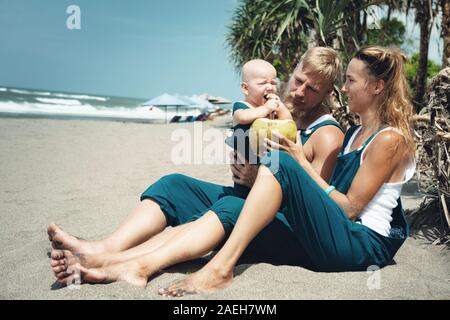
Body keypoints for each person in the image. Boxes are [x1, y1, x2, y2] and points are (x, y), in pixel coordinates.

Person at [47, 47, 344, 287]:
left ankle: (136, 267)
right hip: (245, 197)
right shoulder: (277, 110)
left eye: (313, 89)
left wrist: (258, 179)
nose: (301, 91)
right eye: (298, 80)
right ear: (292, 73)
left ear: (328, 93)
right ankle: (104, 248)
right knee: (173, 184)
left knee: (228, 205)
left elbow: (310, 209)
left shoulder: (326, 134)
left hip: (279, 225)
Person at [157, 45, 417, 296]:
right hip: (339, 233)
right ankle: (131, 259)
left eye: (351, 81)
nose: (344, 88)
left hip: (363, 245)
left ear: (377, 86)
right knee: (205, 195)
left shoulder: (389, 139)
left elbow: (350, 209)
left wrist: (299, 162)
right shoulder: (354, 134)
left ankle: (220, 268)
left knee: (282, 164)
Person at [225, 59, 292, 198]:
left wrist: (280, 106)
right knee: (244, 197)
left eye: (273, 83)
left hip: (266, 162)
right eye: (262, 83)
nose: (270, 87)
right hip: (245, 165)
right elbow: (242, 117)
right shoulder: (242, 106)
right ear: (245, 88)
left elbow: (288, 121)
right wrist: (266, 108)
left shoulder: (272, 107)